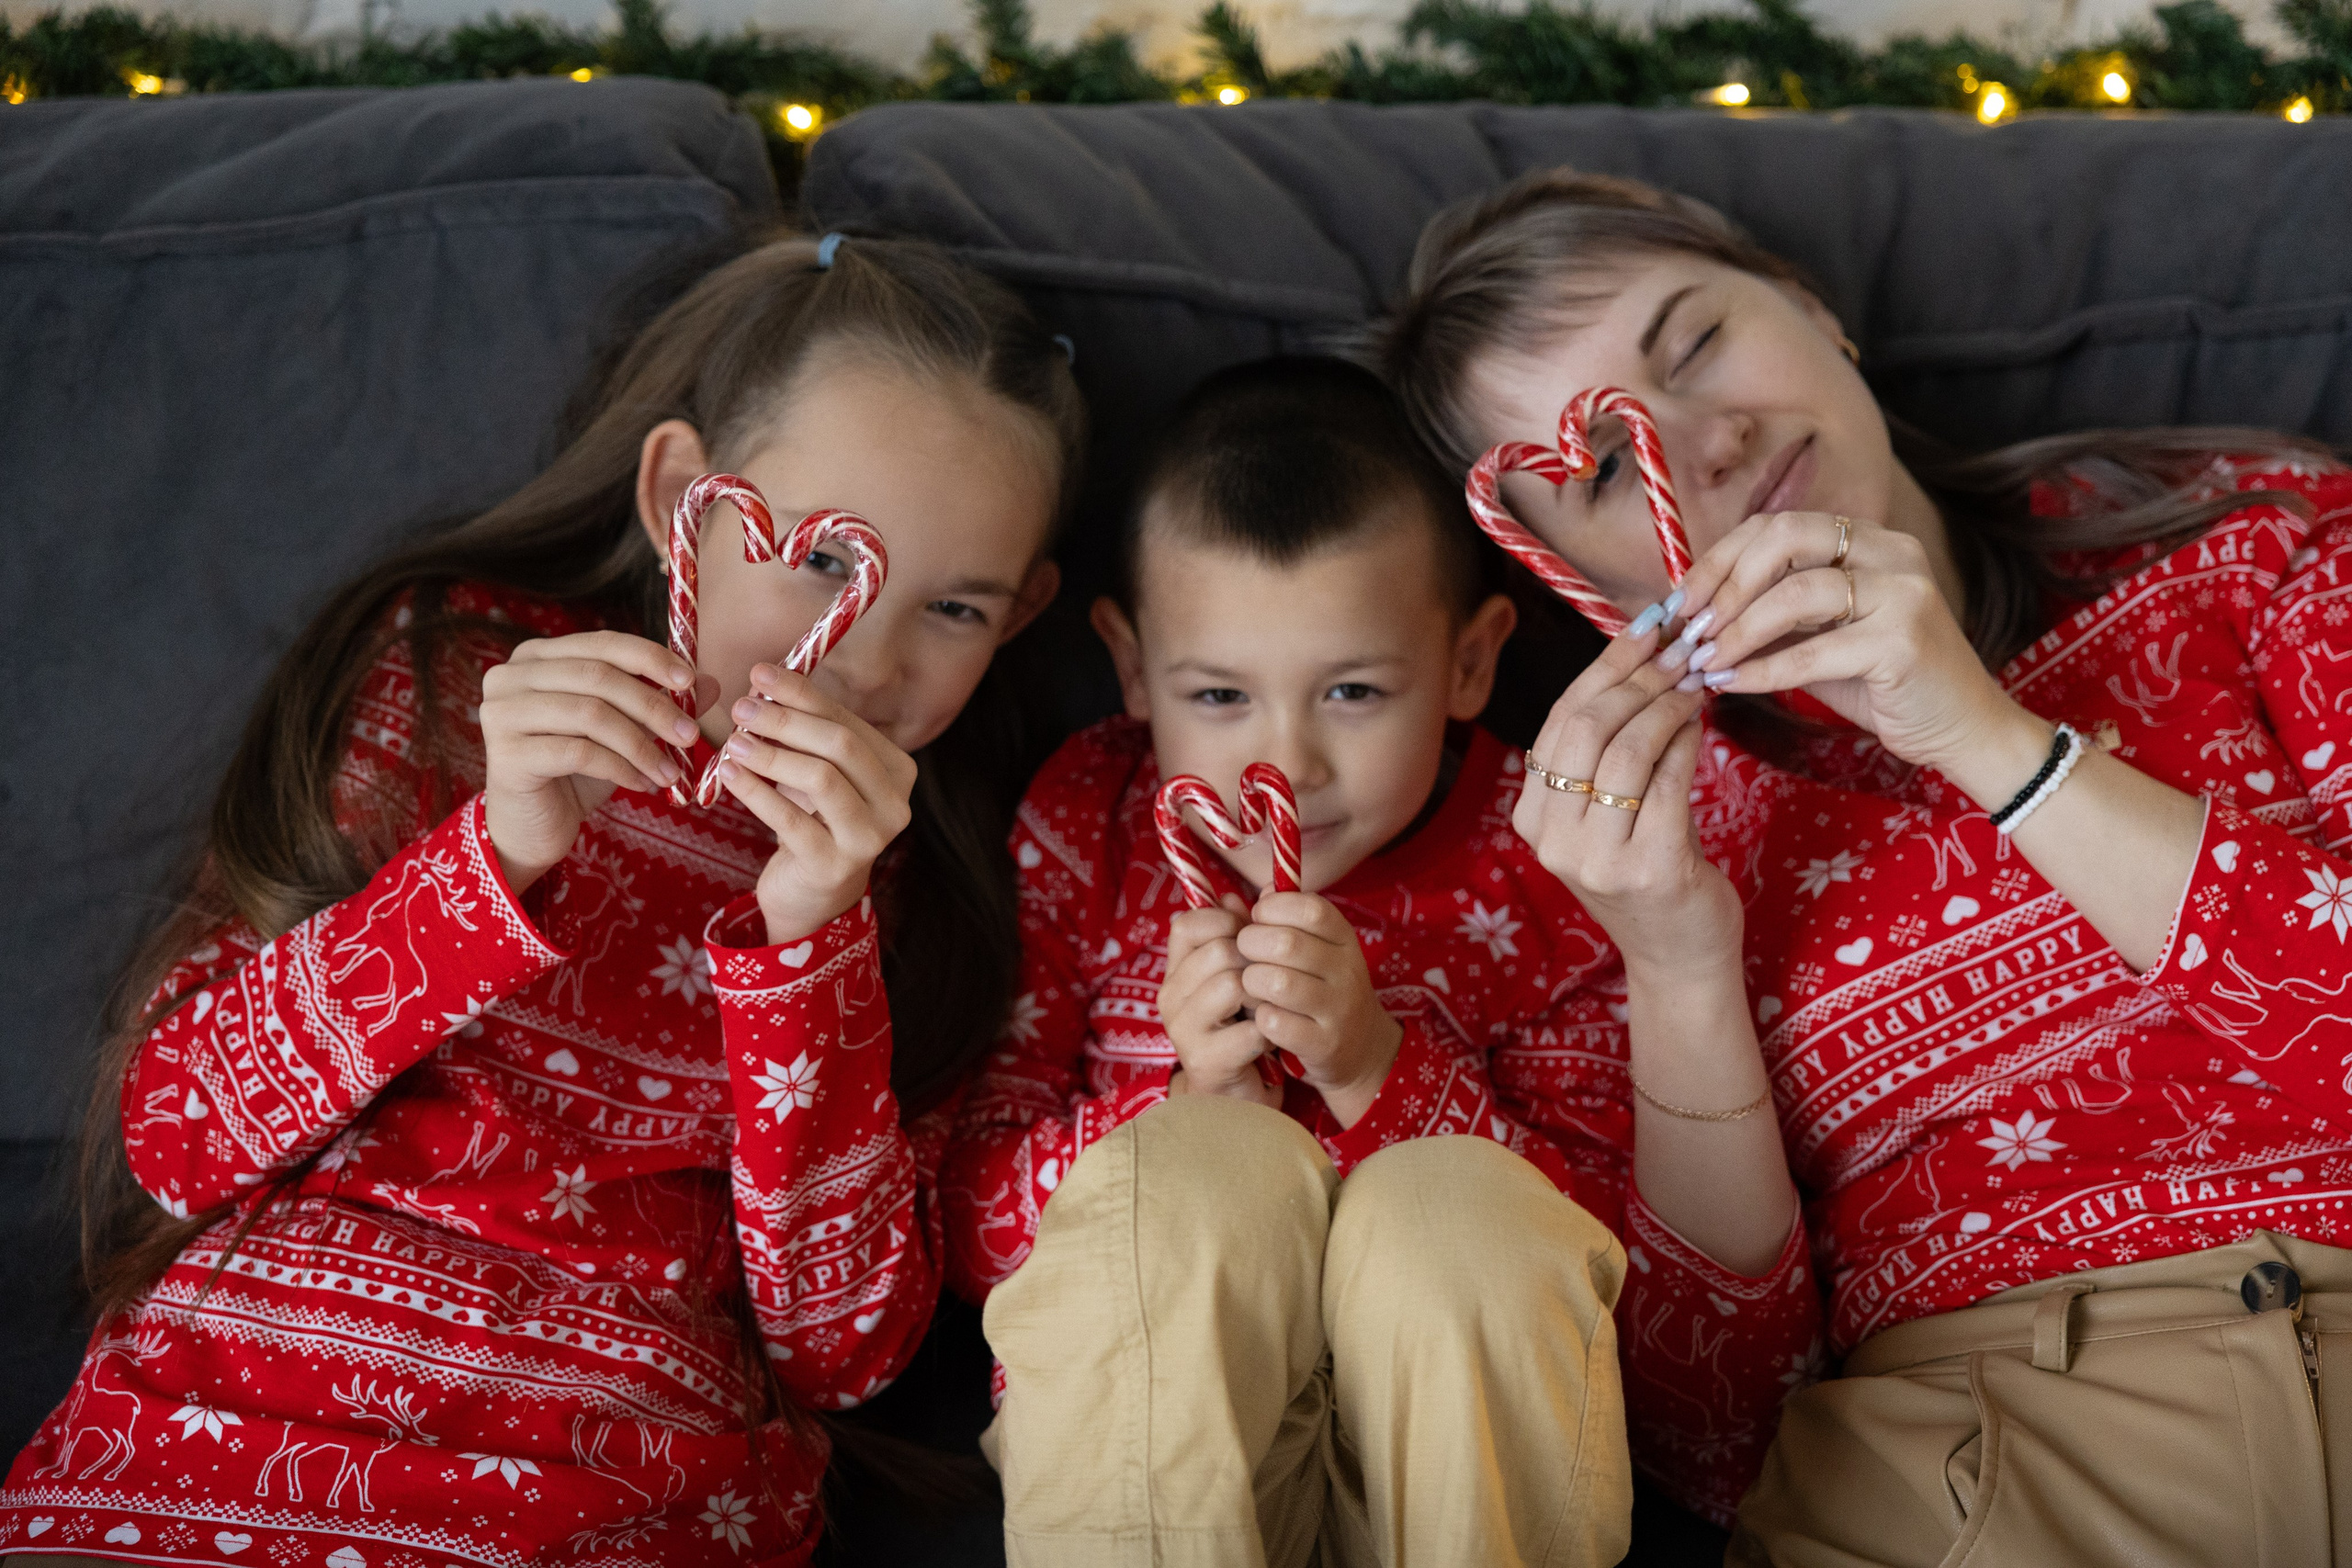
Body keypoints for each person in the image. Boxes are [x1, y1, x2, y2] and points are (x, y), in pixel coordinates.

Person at [0, 232, 1082, 1567]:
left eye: (954, 610)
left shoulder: (929, 876)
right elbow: (177, 1138)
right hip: (220, 1437)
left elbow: (843, 1351)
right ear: (684, 495)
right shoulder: (455, 678)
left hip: (610, 1489)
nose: (858, 660)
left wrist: (813, 938)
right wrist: (493, 856)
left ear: (1025, 612)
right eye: (816, 566)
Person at [1379, 166, 2352, 1563]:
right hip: (1982, 1467)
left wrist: (1995, 745)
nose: (1699, 446)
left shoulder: (2257, 547)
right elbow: (1711, 1441)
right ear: (1559, 573)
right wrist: (1678, 960)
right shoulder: (1597, 843)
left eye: (1696, 344)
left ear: (1815, 306)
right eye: (1604, 468)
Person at [944, 356, 1792, 1568]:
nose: (1286, 768)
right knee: (1186, 1182)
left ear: (1470, 661)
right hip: (1160, 1464)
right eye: (1220, 695)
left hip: (1473, 1473)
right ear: (1134, 669)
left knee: (1455, 1212)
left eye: (1351, 690)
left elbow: (1610, 1269)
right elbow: (975, 1230)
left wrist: (1378, 1070)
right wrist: (1184, 1103)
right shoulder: (1092, 821)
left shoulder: (1553, 856)